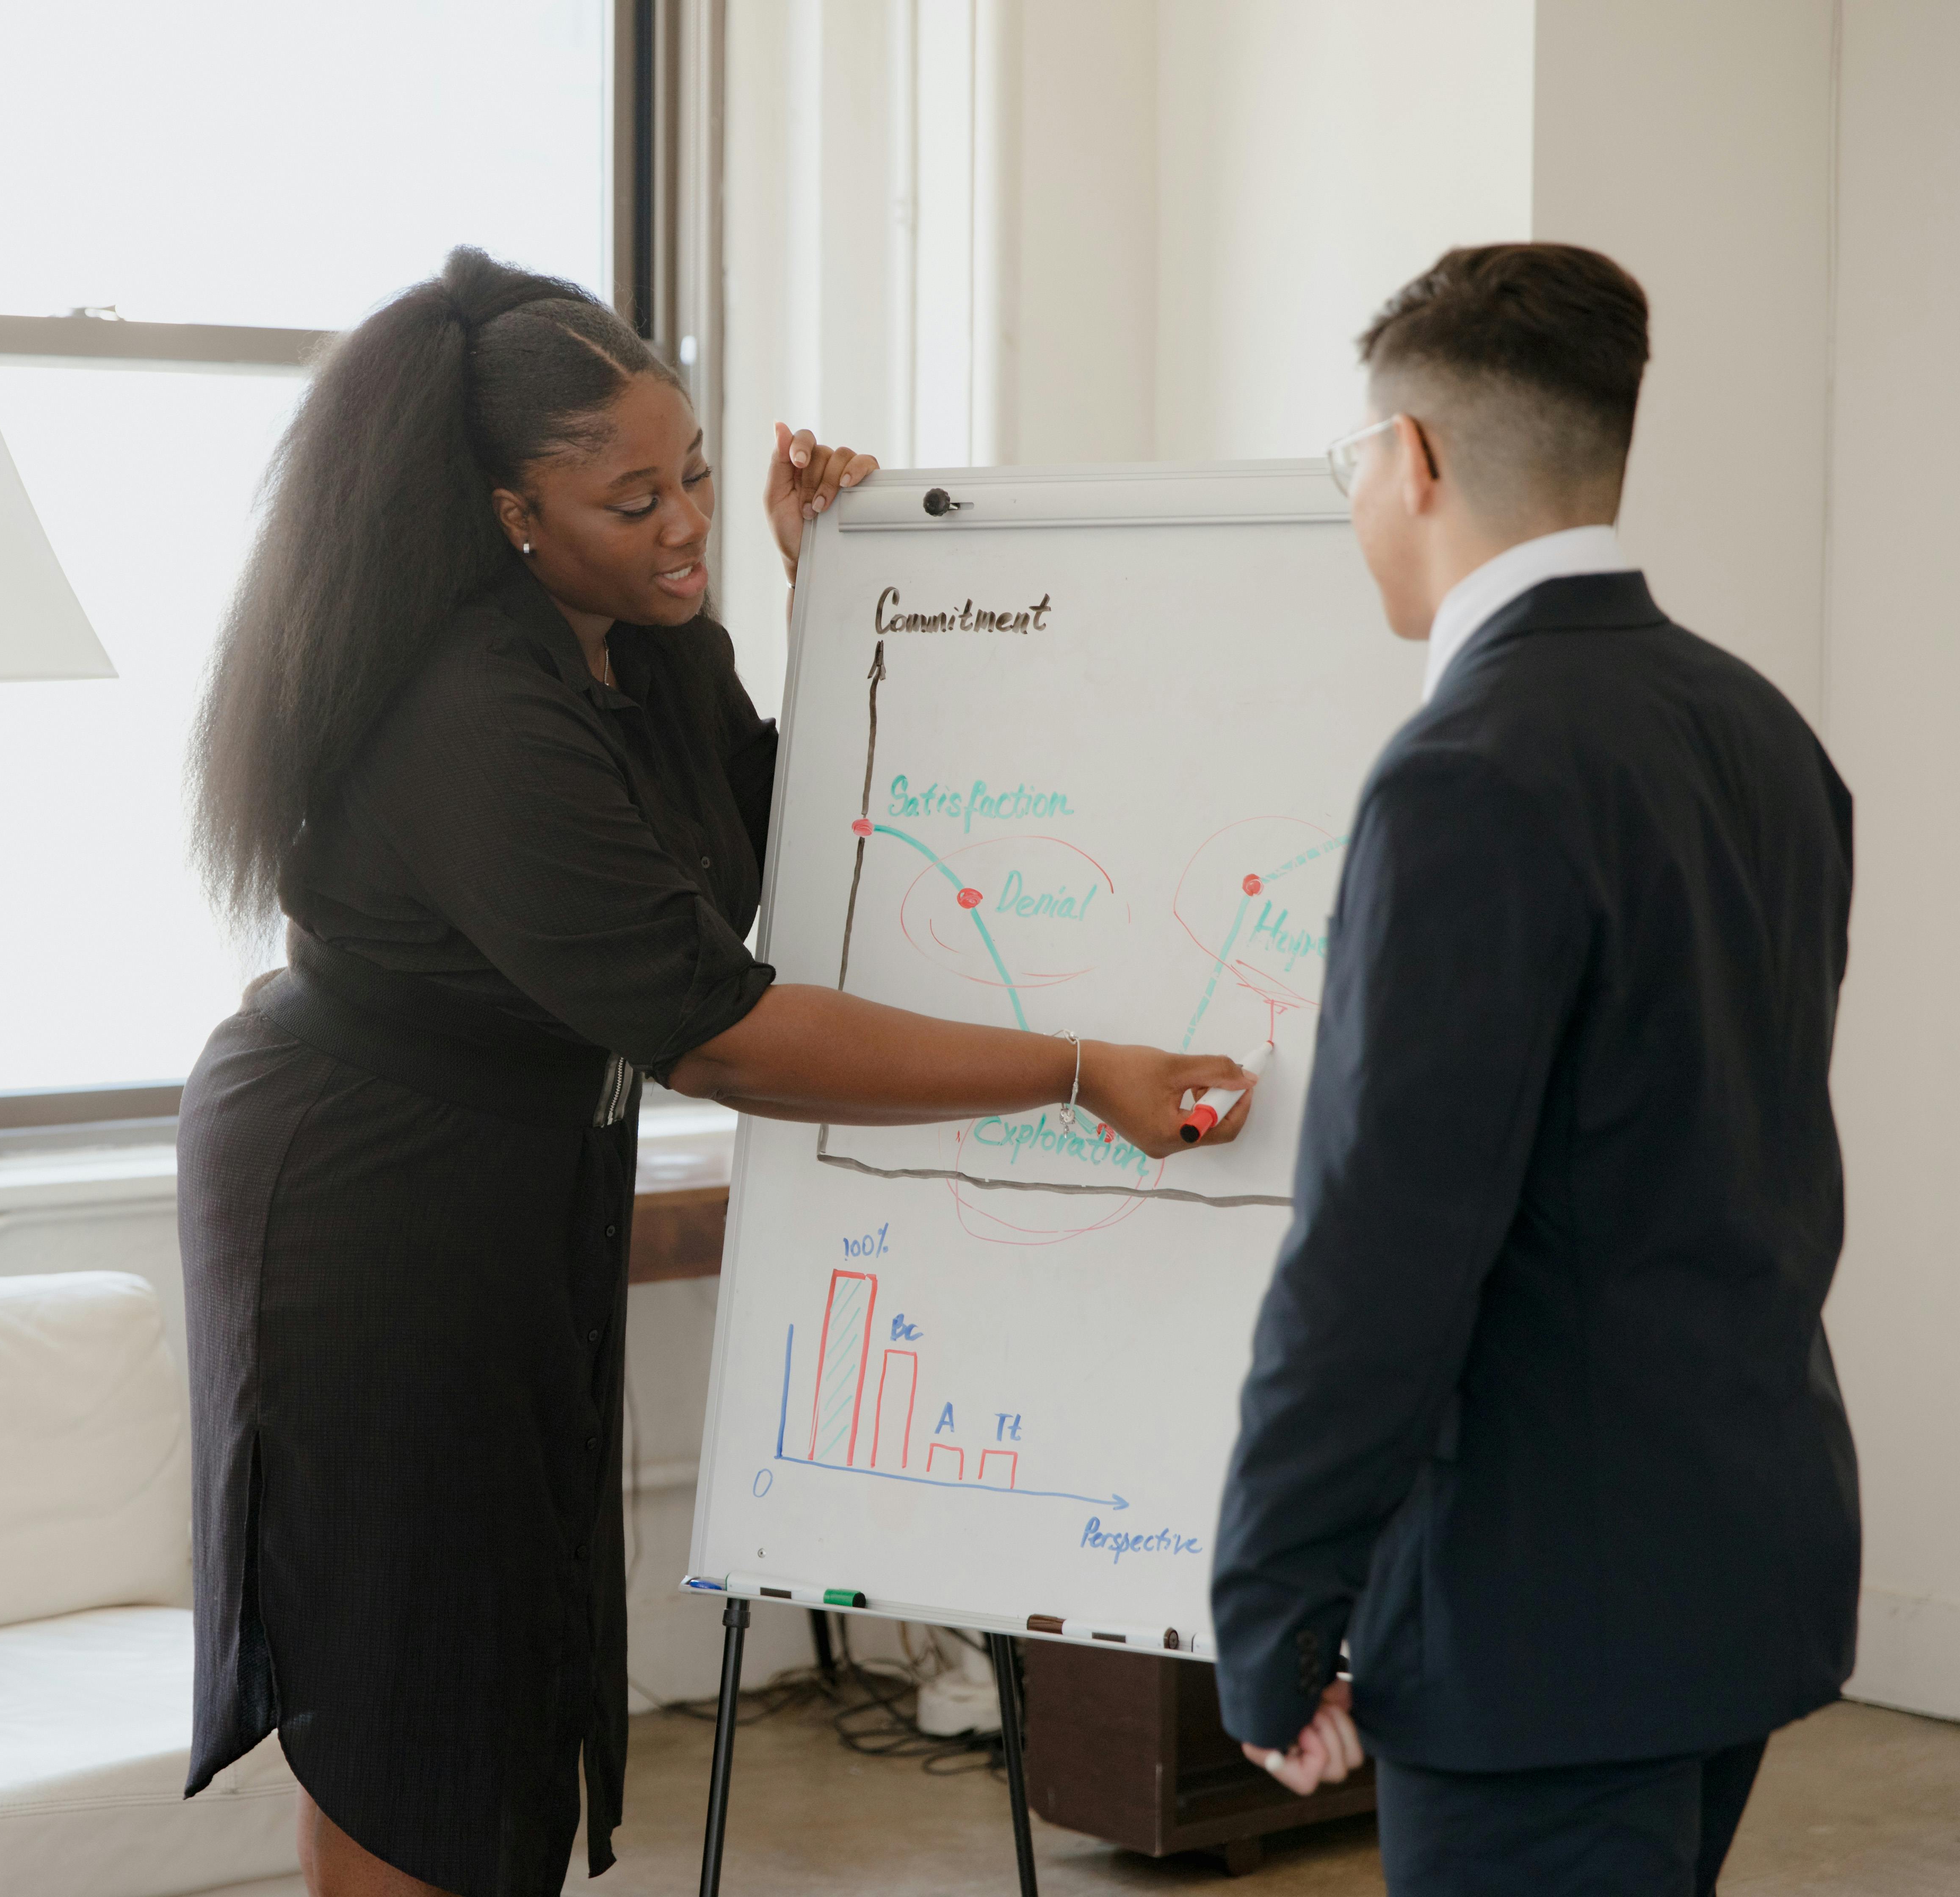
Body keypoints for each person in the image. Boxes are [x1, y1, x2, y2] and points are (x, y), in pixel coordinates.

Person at [180, 248, 1258, 1897]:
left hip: (510, 1165)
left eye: (692, 471)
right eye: (632, 499)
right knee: (411, 1672)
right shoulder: (472, 709)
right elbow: (716, 1023)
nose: (683, 520)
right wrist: (1072, 1067)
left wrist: (818, 581)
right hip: (369, 1196)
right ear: (505, 515)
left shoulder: (641, 629)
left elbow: (760, 845)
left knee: (508, 1646)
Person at [1208, 243, 1858, 1896]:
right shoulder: (1767, 736)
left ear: (1413, 459)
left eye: (1360, 456)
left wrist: (1271, 1605)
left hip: (1542, 1626)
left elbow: (1381, 1251)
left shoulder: (1465, 778)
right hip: (1740, 1563)